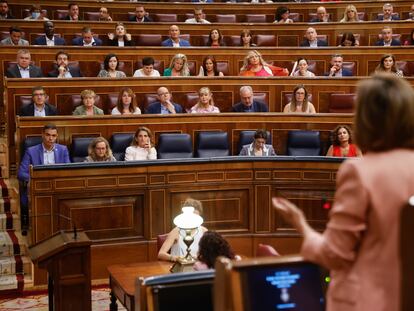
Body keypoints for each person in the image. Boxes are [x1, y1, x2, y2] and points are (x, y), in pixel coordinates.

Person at [272, 74, 414, 311]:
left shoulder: (360, 172)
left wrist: (301, 225)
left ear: (366, 120)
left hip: (366, 302)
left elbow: (332, 255)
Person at [18, 124, 70, 229]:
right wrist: (34, 180)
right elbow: (21, 173)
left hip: (58, 186)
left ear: (57, 136)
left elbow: (68, 169)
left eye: (54, 135)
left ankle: (60, 227)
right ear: (42, 135)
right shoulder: (31, 151)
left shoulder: (63, 149)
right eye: (48, 135)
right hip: (39, 186)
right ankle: (41, 227)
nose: (51, 138)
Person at [158, 198, 208, 262]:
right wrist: (177, 258)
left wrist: (199, 257)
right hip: (180, 268)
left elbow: (209, 254)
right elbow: (161, 254)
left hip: (197, 267)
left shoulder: (204, 231)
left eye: (196, 217)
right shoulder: (176, 231)